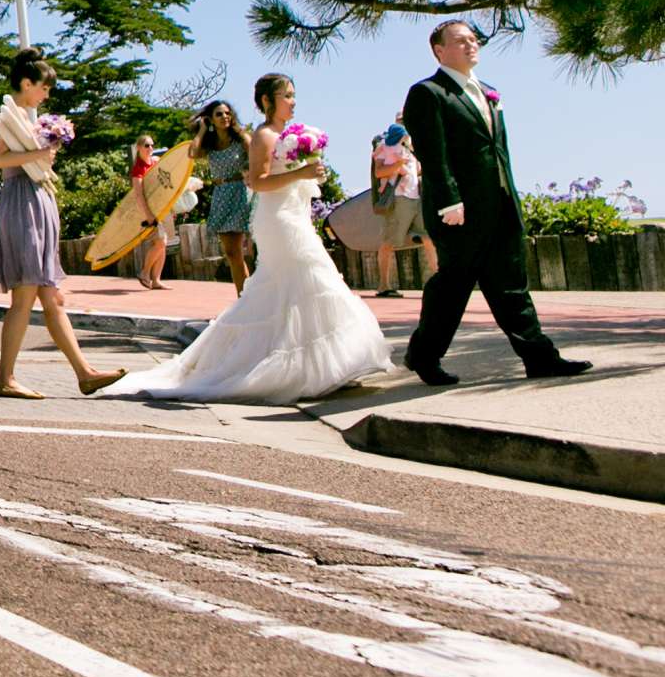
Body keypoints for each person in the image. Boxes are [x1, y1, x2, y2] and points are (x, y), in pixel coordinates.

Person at [109, 73, 391, 402]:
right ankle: (295, 366)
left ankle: (332, 364)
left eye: (294, 95)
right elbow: (258, 182)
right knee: (305, 279)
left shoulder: (284, 135)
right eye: (287, 96)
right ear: (268, 102)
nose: (293, 101)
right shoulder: (263, 135)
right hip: (279, 220)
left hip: (295, 215)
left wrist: (307, 171)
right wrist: (301, 173)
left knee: (303, 285)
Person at [403, 21, 589, 385]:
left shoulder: (488, 92)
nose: (471, 45)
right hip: (459, 211)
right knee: (452, 288)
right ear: (439, 51)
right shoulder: (428, 93)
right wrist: (449, 201)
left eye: (474, 39)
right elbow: (433, 153)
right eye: (460, 41)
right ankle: (423, 356)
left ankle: (540, 358)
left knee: (511, 285)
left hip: (501, 205)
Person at [0, 50, 125, 399]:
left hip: (35, 204)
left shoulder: (29, 117)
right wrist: (37, 155)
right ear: (27, 83)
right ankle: (5, 377)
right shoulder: (13, 116)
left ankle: (84, 372)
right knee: (26, 295)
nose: (46, 94)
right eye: (44, 87)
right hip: (22, 207)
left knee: (51, 298)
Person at [195, 100, 254, 295]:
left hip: (240, 192)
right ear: (211, 119)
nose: (224, 117)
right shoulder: (210, 145)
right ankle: (243, 299)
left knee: (246, 250)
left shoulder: (241, 139)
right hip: (221, 195)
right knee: (231, 253)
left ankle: (252, 298)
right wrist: (202, 130)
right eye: (219, 114)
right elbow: (192, 153)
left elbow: (259, 157)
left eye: (227, 113)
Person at [370, 118, 431, 298]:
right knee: (390, 241)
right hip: (398, 198)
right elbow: (379, 172)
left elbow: (416, 171)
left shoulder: (410, 149)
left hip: (416, 198)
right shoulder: (384, 146)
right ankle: (383, 285)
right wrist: (398, 164)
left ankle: (439, 280)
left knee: (429, 237)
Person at [128, 135, 174, 291]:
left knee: (162, 244)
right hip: (149, 211)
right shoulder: (138, 169)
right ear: (139, 147)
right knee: (161, 241)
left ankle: (156, 280)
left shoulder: (155, 162)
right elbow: (139, 195)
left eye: (152, 145)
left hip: (162, 209)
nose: (150, 149)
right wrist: (148, 215)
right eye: (147, 145)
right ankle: (145, 272)